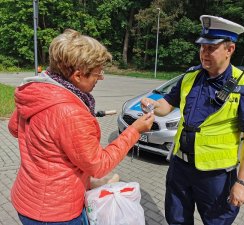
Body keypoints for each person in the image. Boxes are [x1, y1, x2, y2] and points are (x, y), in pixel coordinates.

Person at [8, 29, 154, 225]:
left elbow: (14, 128)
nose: (100, 78)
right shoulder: (71, 113)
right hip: (56, 213)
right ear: (77, 75)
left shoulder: (38, 90)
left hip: (27, 199)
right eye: (97, 72)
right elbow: (98, 165)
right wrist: (135, 130)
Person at [141, 15, 244, 225]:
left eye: (211, 48)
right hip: (180, 167)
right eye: (202, 47)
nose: (203, 53)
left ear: (229, 50)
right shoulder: (190, 76)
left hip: (215, 176)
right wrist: (152, 104)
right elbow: (167, 104)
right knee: (176, 220)